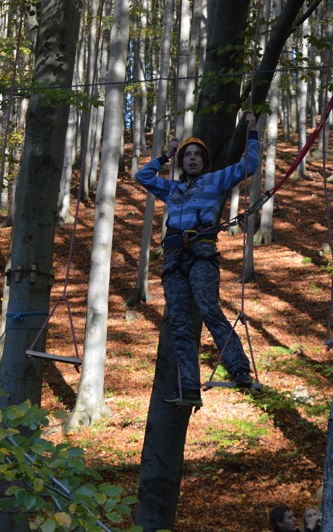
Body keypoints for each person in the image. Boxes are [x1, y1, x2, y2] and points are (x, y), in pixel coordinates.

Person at [135, 111, 260, 407]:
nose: (192, 159)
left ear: (204, 161)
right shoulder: (172, 189)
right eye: (187, 155)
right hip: (173, 258)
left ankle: (239, 368)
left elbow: (249, 165)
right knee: (179, 323)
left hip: (201, 252)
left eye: (197, 155)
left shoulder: (215, 181)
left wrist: (251, 132)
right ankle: (189, 388)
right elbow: (142, 176)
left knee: (208, 308)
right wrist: (166, 155)